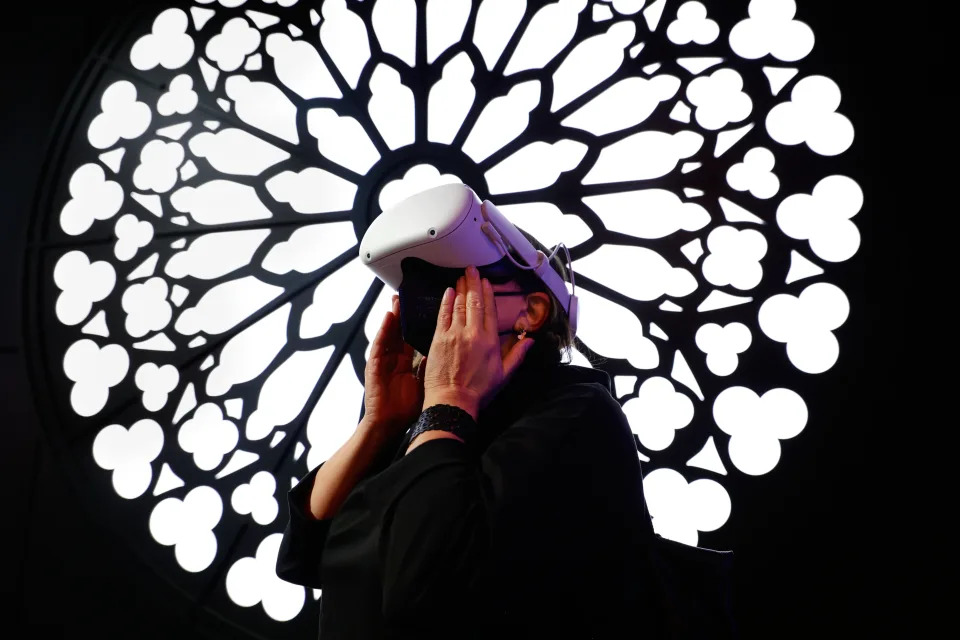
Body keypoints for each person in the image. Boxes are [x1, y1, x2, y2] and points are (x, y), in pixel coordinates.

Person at [276, 231, 668, 638]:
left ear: (531, 310)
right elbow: (307, 554)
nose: (429, 312)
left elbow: (428, 586)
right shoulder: (427, 421)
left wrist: (451, 397)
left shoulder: (577, 411)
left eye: (454, 291)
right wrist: (379, 424)